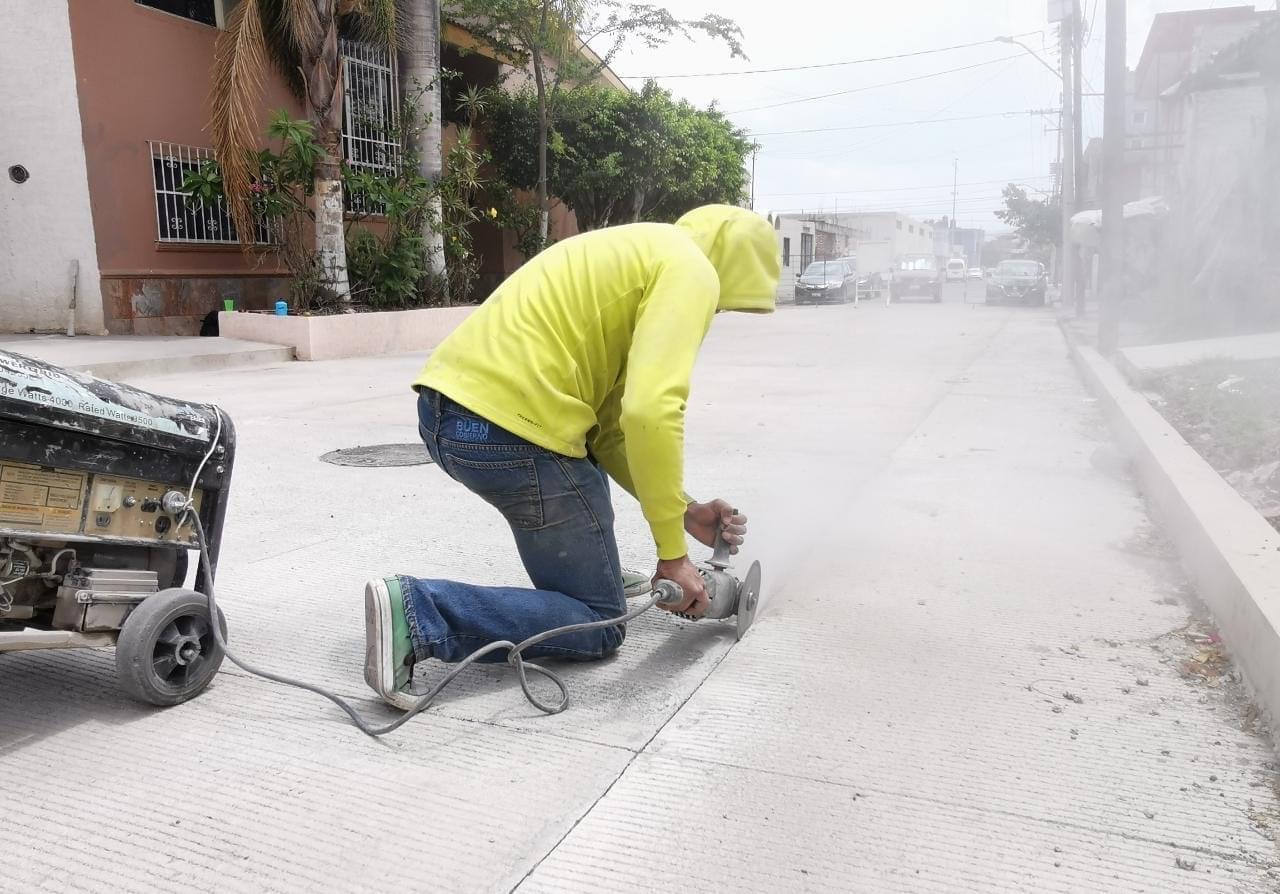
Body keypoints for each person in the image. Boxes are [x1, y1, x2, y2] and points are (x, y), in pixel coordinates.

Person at [363, 204, 780, 709]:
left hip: (445, 416)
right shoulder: (692, 269)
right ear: (731, 269)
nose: (715, 313)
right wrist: (673, 557)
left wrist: (685, 510)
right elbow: (651, 413)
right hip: (514, 435)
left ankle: (595, 569)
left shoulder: (641, 247)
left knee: (582, 455)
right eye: (725, 305)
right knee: (596, 622)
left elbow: (608, 433)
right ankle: (418, 614)